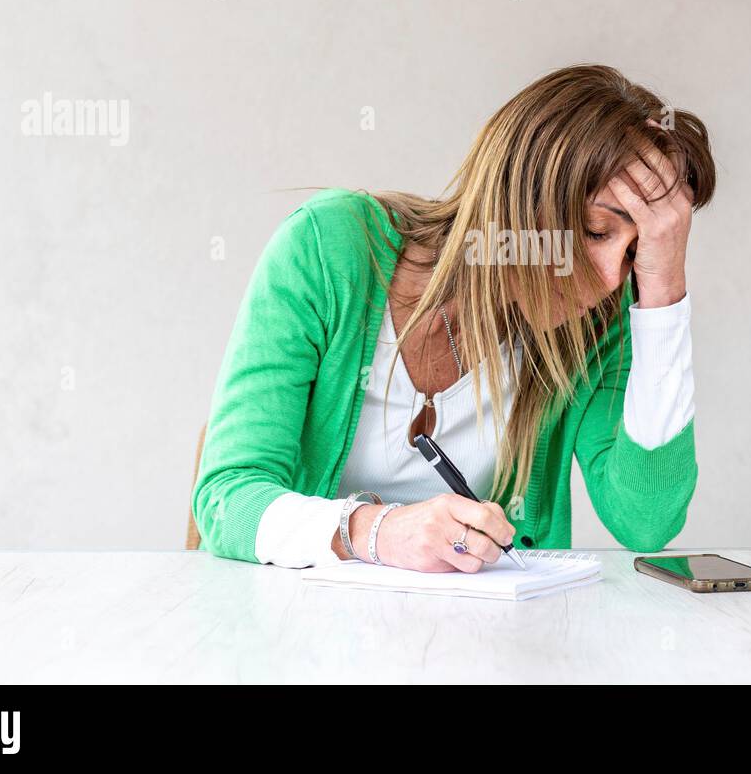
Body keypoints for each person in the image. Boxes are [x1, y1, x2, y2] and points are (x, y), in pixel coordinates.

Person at [192, 63, 717, 572]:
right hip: (305, 634)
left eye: (636, 252)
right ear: (516, 199)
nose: (609, 279)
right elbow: (226, 498)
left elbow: (646, 522)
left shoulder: (600, 322)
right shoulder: (328, 250)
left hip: (484, 642)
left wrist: (664, 293)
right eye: (597, 231)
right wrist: (382, 532)